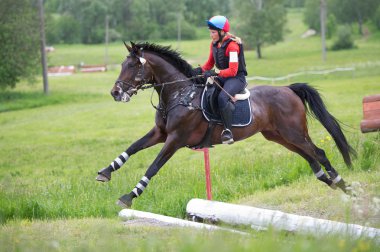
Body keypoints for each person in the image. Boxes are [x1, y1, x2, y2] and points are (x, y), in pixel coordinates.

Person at [193, 15, 247, 144]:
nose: (211, 35)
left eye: (213, 32)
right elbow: (209, 64)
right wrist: (198, 71)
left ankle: (228, 131)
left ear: (222, 32)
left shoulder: (233, 46)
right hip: (223, 77)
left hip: (236, 79)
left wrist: (216, 72)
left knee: (222, 97)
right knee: (207, 90)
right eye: (210, 32)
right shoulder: (214, 44)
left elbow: (233, 70)